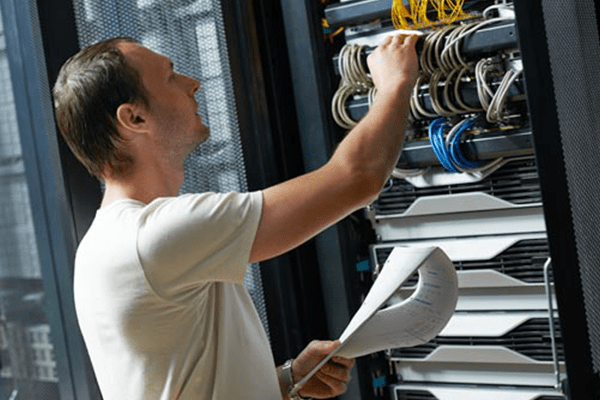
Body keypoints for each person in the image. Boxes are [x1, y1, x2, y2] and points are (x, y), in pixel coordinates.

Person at [52, 33, 419, 400]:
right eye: (170, 76)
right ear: (134, 117)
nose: (192, 83)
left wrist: (287, 380)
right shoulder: (154, 234)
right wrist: (394, 83)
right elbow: (358, 178)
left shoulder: (100, 246)